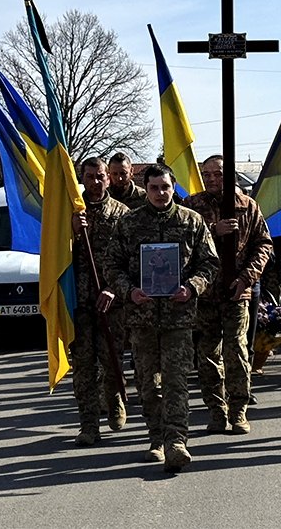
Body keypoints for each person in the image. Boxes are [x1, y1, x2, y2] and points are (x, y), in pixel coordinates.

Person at [107, 164, 219, 472]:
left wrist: (192, 287)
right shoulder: (129, 223)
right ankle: (155, 436)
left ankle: (176, 442)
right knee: (148, 385)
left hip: (179, 319)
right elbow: (111, 265)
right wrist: (129, 291)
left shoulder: (191, 221)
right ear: (146, 188)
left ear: (174, 187)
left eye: (165, 187)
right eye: (154, 188)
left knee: (176, 383)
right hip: (141, 319)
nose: (160, 193)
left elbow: (209, 264)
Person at [183, 155, 273, 434]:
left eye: (217, 174)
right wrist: (213, 230)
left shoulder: (248, 206)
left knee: (237, 351)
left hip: (236, 293)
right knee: (207, 355)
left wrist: (246, 278)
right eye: (207, 174)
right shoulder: (192, 206)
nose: (211, 179)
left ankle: (239, 410)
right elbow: (181, 243)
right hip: (205, 295)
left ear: (229, 174)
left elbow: (264, 245)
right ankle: (216, 410)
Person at [69, 157, 130, 446]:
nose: (95, 182)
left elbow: (132, 261)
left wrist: (113, 289)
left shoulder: (122, 214)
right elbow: (53, 253)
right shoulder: (71, 210)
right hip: (78, 302)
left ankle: (115, 398)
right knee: (83, 366)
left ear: (108, 178)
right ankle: (88, 424)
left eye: (100, 176)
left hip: (111, 303)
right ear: (82, 178)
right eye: (90, 176)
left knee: (110, 359)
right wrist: (69, 229)